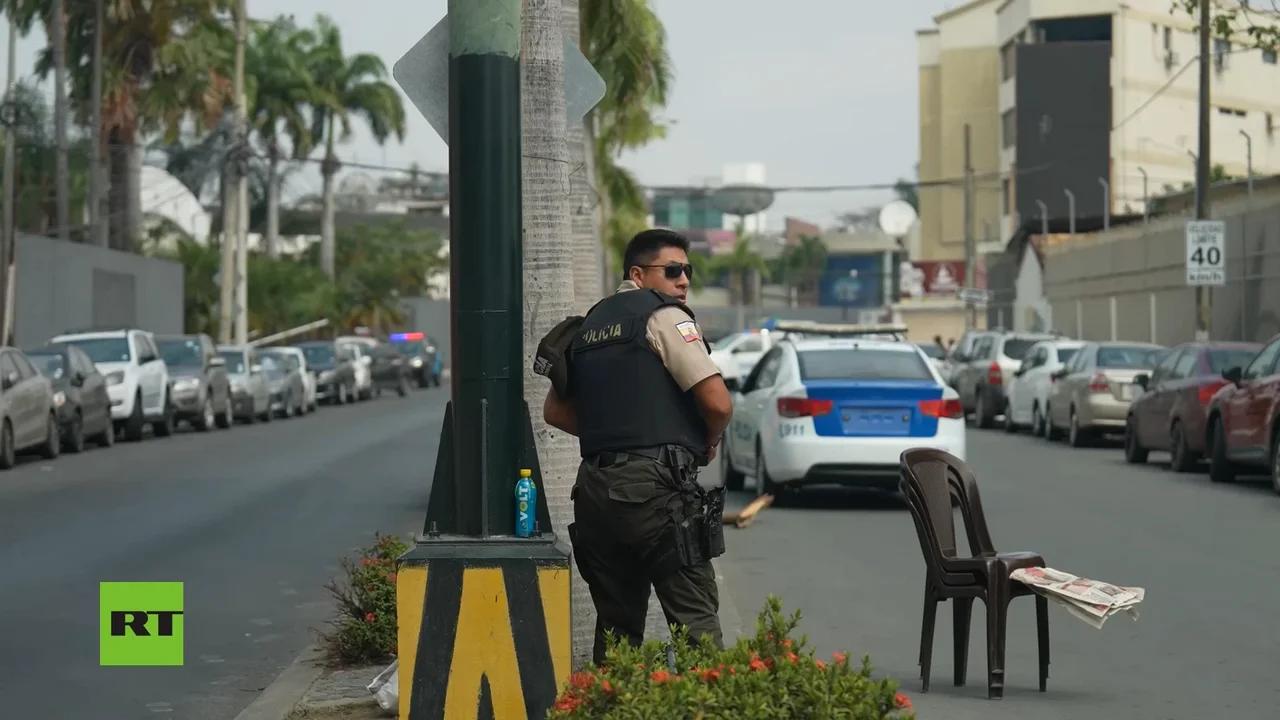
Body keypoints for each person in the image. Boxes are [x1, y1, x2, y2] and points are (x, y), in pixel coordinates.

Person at [543, 228, 733, 664]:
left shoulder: (587, 324)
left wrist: (617, 434)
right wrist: (708, 438)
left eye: (687, 271)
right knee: (696, 622)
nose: (683, 280)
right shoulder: (666, 317)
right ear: (638, 274)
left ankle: (610, 707)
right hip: (654, 491)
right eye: (672, 271)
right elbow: (718, 403)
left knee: (616, 628)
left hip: (593, 492)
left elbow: (555, 412)